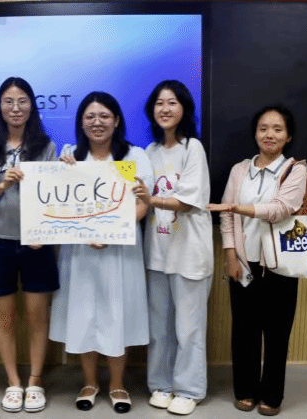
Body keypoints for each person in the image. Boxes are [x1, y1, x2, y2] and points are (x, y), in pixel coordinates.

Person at [49, 91, 153, 414]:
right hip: (80, 252)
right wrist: (61, 173)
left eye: (104, 116)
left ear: (117, 120)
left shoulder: (134, 156)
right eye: (90, 116)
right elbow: (58, 202)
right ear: (81, 122)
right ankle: (89, 383)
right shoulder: (70, 155)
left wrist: (109, 232)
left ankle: (117, 384)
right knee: (83, 313)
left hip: (119, 251)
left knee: (116, 313)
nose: (97, 122)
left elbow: (142, 204)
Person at [207, 105, 307, 416]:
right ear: (255, 133)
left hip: (281, 265)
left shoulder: (296, 170)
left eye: (277, 129)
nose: (269, 134)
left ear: (288, 136)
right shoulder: (239, 170)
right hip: (244, 261)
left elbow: (280, 209)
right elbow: (225, 216)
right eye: (263, 128)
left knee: (277, 333)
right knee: (244, 331)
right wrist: (230, 254)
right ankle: (245, 390)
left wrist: (240, 208)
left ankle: (272, 396)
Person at [0, 77, 59, 413]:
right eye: (8, 101)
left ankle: (34, 381)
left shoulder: (45, 145)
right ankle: (13, 382)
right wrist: (3, 184)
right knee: (5, 318)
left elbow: (54, 196)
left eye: (22, 100)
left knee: (38, 317)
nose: (16, 107)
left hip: (37, 244)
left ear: (32, 105)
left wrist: (44, 231)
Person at [132, 80, 213, 415]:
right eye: (159, 103)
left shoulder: (193, 148)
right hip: (157, 252)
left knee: (189, 328)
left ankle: (189, 389)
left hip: (189, 253)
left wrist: (152, 200)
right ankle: (161, 384)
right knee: (159, 327)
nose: (165, 109)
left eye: (172, 102)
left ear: (184, 109)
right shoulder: (148, 152)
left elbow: (188, 200)